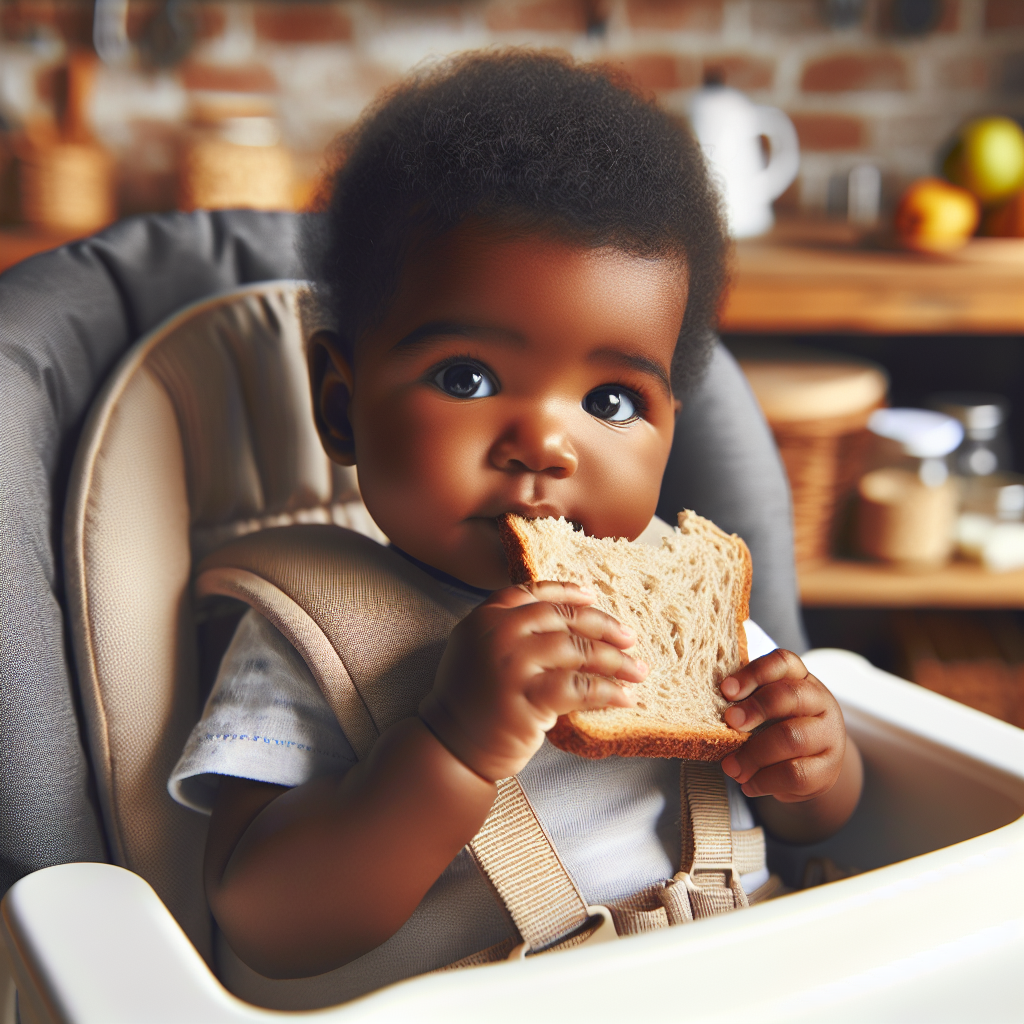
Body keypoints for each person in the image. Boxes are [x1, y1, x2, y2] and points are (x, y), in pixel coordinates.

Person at [169, 49, 863, 1009]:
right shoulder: (312, 636)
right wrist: (450, 747)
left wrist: (816, 767)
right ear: (342, 407)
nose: (544, 440)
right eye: (469, 378)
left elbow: (810, 828)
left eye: (613, 398)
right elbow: (262, 916)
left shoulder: (688, 611)